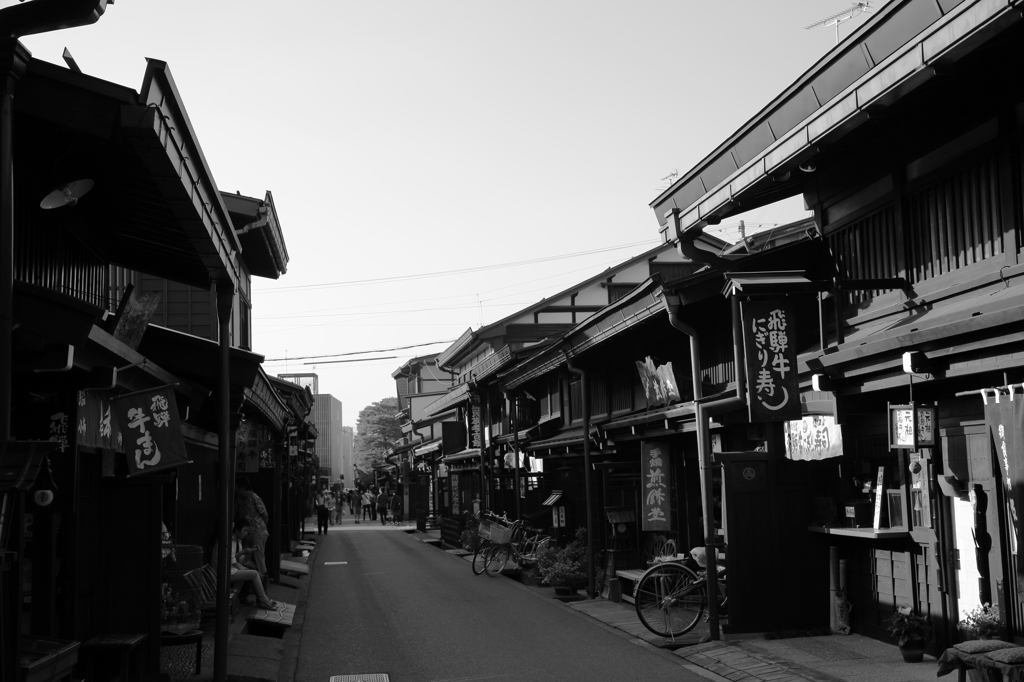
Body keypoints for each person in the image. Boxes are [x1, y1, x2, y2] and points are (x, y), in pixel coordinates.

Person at [229, 518, 278, 610]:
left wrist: (249, 553)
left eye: (247, 531)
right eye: (244, 530)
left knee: (254, 570)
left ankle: (240, 599)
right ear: (236, 529)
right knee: (254, 573)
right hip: (229, 571)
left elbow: (240, 561)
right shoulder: (230, 541)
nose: (246, 533)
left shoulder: (239, 542)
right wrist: (244, 552)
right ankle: (263, 600)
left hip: (234, 569)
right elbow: (231, 559)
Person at [234, 476, 269, 584]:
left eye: (237, 487)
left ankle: (263, 586)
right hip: (245, 532)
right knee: (245, 559)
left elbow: (265, 515)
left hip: (257, 531)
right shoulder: (239, 499)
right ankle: (251, 586)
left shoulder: (254, 498)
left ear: (242, 488)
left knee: (259, 559)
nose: (235, 489)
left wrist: (261, 530)